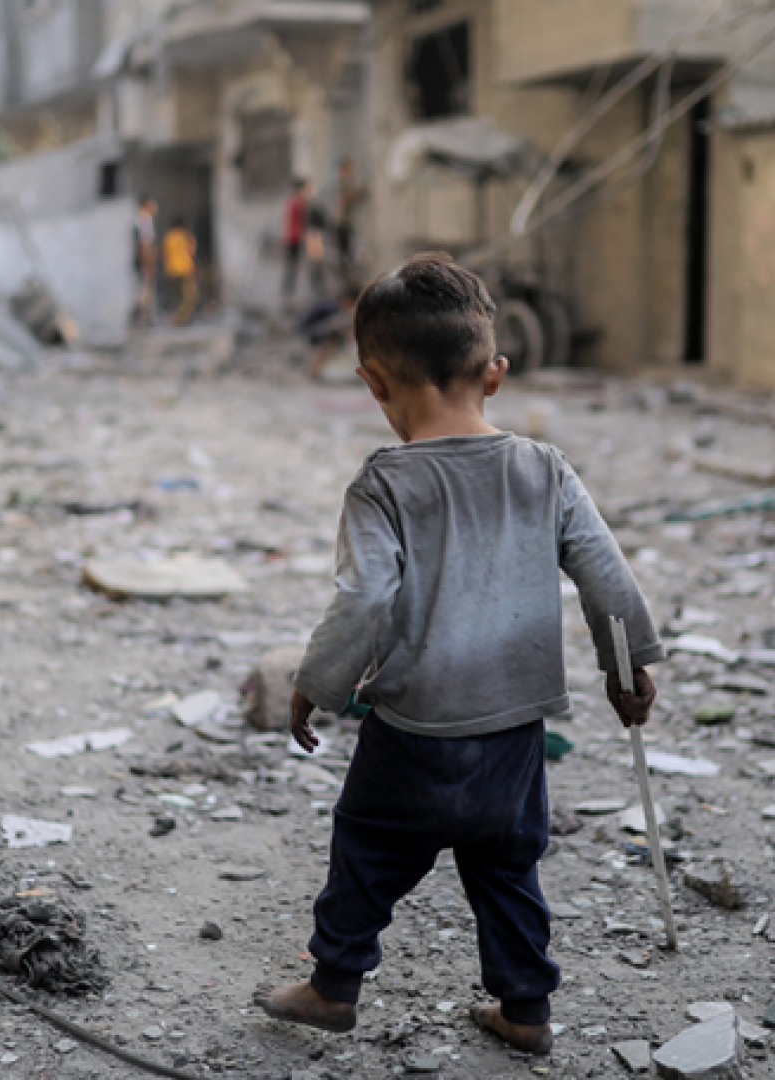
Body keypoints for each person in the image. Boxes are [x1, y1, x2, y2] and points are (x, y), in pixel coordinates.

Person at [253, 253, 663, 1056]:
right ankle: (526, 1012)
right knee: (507, 871)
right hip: (514, 731)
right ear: (496, 374)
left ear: (373, 382)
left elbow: (365, 599)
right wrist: (628, 667)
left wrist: (318, 683)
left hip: (413, 728)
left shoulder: (382, 485)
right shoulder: (544, 470)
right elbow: (605, 577)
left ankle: (333, 986)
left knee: (366, 852)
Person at [299, 285, 359, 380]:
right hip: (311, 330)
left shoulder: (333, 305)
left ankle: (313, 372)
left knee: (332, 342)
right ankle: (311, 372)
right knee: (330, 343)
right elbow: (339, 326)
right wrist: (351, 336)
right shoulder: (335, 308)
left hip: (315, 329)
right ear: (349, 301)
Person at [163, 216, 198, 326]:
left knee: (181, 297)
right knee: (191, 296)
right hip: (183, 271)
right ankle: (176, 318)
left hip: (172, 271)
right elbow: (190, 252)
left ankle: (179, 320)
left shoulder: (168, 237)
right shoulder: (183, 237)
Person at [335, 157, 367, 279]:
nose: (351, 172)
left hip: (346, 223)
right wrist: (360, 193)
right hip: (342, 223)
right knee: (345, 251)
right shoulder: (343, 182)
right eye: (349, 169)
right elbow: (344, 199)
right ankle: (346, 277)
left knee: (347, 250)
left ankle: (347, 274)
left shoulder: (346, 182)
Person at [133, 195, 159, 326]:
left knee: (145, 290)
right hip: (143, 261)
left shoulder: (140, 218)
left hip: (142, 260)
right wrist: (148, 263)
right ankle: (138, 319)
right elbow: (144, 244)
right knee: (143, 291)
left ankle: (145, 319)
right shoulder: (144, 219)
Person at [283, 178, 309, 297]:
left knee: (292, 263)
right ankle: (288, 289)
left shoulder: (292, 200)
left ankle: (288, 289)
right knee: (293, 263)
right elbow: (301, 219)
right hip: (295, 238)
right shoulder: (298, 201)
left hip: (291, 237)